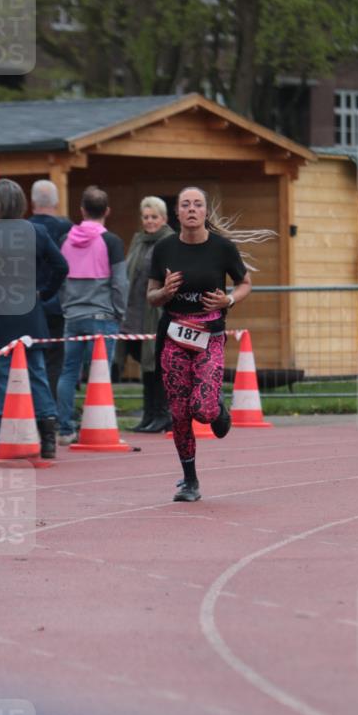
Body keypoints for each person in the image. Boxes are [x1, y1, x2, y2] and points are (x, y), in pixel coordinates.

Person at [148, 186, 252, 502]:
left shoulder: (222, 248)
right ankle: (190, 481)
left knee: (202, 410)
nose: (192, 209)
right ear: (177, 213)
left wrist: (229, 299)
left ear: (206, 212)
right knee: (179, 413)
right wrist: (164, 293)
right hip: (174, 335)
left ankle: (218, 409)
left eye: (197, 204)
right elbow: (150, 296)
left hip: (210, 336)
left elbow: (245, 283)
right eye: (185, 205)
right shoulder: (164, 249)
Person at [0, 179, 68, 459]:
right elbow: (61, 266)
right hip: (28, 313)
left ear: (2, 202)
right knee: (37, 373)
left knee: (0, 375)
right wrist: (43, 294)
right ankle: (47, 436)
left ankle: (11, 433)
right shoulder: (38, 231)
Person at [56, 185, 127, 445]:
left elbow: (61, 279)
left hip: (73, 316)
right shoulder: (111, 242)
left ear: (82, 210)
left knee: (68, 372)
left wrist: (67, 307)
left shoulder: (65, 241)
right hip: (102, 316)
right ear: (107, 211)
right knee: (100, 374)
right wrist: (119, 312)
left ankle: (65, 429)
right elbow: (120, 283)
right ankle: (96, 425)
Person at [119, 196, 174, 433]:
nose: (150, 221)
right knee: (145, 365)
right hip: (136, 315)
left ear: (164, 219)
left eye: (154, 217)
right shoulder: (138, 241)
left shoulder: (169, 241)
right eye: (146, 217)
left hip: (158, 313)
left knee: (157, 364)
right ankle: (149, 414)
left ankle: (163, 414)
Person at [28, 179, 73, 398]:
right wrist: (50, 292)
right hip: (57, 304)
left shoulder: (25, 228)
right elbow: (65, 266)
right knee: (55, 361)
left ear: (32, 201)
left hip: (28, 304)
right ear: (56, 202)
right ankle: (52, 408)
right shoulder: (67, 229)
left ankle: (32, 406)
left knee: (30, 359)